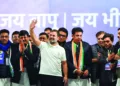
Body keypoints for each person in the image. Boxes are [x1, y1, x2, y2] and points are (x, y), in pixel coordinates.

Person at [30, 20, 68, 86]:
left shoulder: (62, 49)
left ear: (58, 38)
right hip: (44, 75)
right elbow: (34, 38)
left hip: (57, 76)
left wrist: (65, 76)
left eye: (53, 35)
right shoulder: (43, 45)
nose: (51, 37)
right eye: (50, 35)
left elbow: (64, 63)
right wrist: (31, 29)